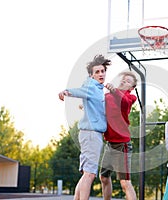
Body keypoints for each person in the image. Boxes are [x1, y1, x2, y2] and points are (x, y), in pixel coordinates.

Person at [58, 54, 112, 200]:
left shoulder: (98, 89)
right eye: (97, 72)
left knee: (87, 173)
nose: (101, 74)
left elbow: (94, 105)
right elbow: (79, 91)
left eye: (102, 71)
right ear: (91, 75)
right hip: (91, 134)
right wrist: (66, 92)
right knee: (90, 174)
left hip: (91, 134)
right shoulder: (91, 86)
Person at [100, 71, 137, 200]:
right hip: (110, 143)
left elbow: (125, 102)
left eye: (128, 81)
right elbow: (99, 108)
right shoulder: (108, 95)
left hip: (123, 144)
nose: (123, 81)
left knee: (125, 182)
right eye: (123, 79)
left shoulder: (130, 97)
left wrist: (115, 90)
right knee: (104, 177)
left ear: (132, 88)